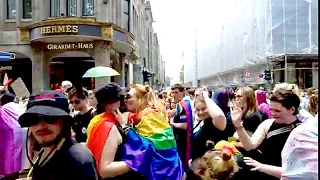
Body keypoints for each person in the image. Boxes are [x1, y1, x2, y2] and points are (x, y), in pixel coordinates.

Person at [18, 90, 99, 180]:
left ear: (64, 122)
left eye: (50, 118)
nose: (41, 125)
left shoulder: (78, 159)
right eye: (34, 119)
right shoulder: (45, 151)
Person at [86, 83, 144, 179]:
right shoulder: (108, 126)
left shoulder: (109, 120)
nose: (125, 101)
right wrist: (138, 161)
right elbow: (104, 170)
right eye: (122, 98)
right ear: (111, 104)